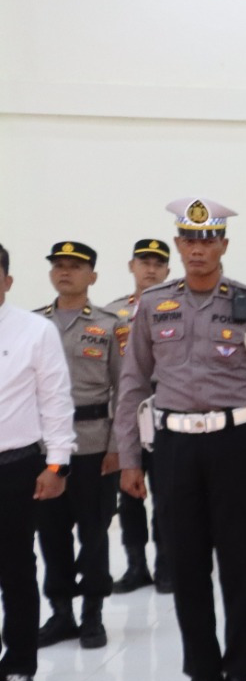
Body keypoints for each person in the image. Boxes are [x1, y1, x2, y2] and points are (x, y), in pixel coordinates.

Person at [115, 198, 246, 681]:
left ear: (223, 245)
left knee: (237, 562)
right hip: (174, 448)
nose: (198, 248)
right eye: (189, 239)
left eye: (208, 239)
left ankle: (239, 672)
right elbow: (132, 382)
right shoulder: (153, 305)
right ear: (178, 245)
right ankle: (202, 672)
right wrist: (129, 458)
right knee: (185, 563)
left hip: (234, 444)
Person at [33, 242, 123, 652]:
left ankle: (92, 614)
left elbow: (125, 390)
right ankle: (61, 613)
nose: (65, 272)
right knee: (51, 535)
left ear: (93, 276)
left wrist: (118, 446)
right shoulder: (35, 324)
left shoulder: (110, 325)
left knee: (94, 534)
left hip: (93, 446)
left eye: (75, 266)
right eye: (59, 266)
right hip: (45, 449)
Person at [0, 244, 74, 681]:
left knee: (15, 570)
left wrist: (58, 463)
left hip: (15, 466)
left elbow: (56, 400)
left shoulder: (35, 330)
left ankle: (18, 668)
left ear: (7, 281)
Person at [111, 238, 173, 594]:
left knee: (166, 493)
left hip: (165, 411)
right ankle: (136, 566)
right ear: (131, 266)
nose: (151, 269)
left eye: (158, 263)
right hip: (128, 414)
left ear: (167, 270)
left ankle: (167, 564)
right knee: (129, 494)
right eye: (144, 262)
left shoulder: (176, 308)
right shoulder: (112, 314)